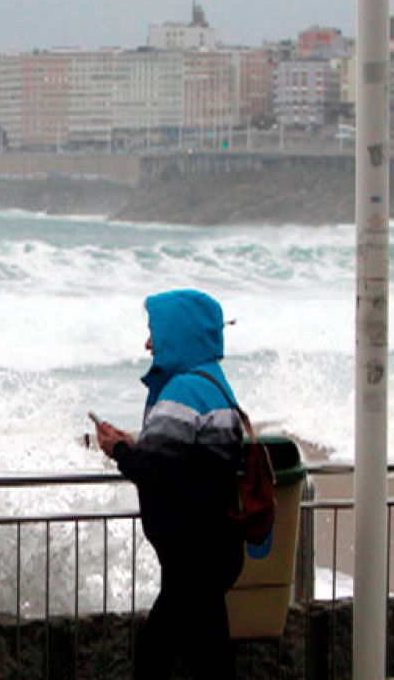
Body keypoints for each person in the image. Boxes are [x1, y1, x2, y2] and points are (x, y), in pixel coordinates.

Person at [93, 289, 245, 680]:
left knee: (154, 652)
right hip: (216, 548)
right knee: (209, 656)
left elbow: (157, 471)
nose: (148, 344)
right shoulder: (213, 383)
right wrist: (132, 443)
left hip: (194, 555)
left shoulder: (183, 390)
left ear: (178, 333)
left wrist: (119, 452)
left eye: (155, 332)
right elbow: (183, 458)